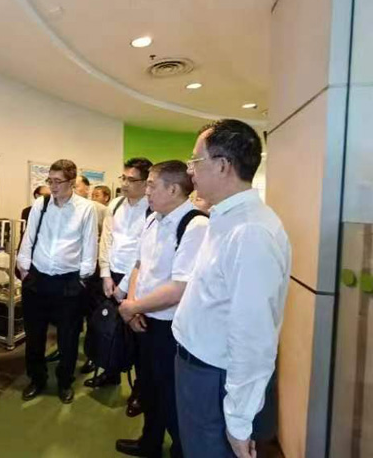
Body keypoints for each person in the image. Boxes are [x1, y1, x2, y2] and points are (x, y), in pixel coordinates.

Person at [173, 119, 291, 458]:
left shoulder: (251, 232)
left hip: (214, 378)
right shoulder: (225, 218)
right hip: (198, 368)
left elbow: (253, 336)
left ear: (223, 165)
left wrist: (239, 421)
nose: (190, 171)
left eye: (196, 161)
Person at [115, 161, 209, 458]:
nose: (147, 191)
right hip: (143, 319)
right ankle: (150, 443)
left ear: (173, 189)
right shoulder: (153, 219)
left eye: (152, 185)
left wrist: (133, 306)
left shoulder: (195, 225)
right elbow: (139, 265)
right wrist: (133, 306)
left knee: (171, 397)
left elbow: (180, 287)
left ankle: (180, 450)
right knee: (149, 389)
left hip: (170, 329)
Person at [17, 160, 98, 404]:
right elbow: (29, 238)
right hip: (37, 279)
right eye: (49, 180)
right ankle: (37, 378)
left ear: (72, 182)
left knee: (68, 337)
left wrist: (83, 277)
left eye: (58, 181)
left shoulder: (86, 208)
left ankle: (64, 382)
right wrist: (24, 269)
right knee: (34, 336)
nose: (52, 186)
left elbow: (89, 244)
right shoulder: (40, 204)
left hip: (69, 282)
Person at [87, 158, 152, 412]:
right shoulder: (115, 205)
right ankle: (110, 371)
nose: (124, 183)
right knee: (108, 329)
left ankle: (140, 390)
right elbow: (106, 240)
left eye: (131, 180)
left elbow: (145, 252)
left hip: (137, 280)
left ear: (146, 183)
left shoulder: (153, 210)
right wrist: (105, 274)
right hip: (110, 276)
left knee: (138, 337)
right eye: (123, 178)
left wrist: (124, 286)